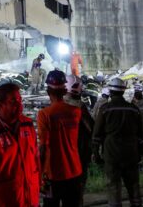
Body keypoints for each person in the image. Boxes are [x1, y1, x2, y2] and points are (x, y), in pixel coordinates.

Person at [93, 78, 143, 207]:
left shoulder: (105, 109)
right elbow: (141, 134)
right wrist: (142, 152)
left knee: (113, 186)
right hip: (131, 152)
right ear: (123, 91)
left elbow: (97, 134)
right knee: (133, 185)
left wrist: (96, 153)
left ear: (110, 91)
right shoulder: (133, 109)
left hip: (112, 153)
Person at [38, 70, 82, 207]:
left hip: (52, 175)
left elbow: (43, 147)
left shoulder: (44, 115)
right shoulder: (76, 112)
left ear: (47, 91)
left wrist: (40, 175)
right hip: (74, 171)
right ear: (65, 91)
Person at [64, 75, 94, 206]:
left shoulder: (55, 105)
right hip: (79, 152)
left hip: (62, 156)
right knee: (77, 191)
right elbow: (91, 128)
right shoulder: (79, 107)